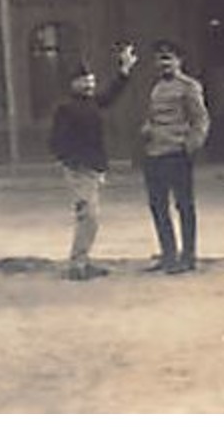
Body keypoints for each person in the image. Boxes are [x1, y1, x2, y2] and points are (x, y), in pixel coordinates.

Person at [49, 45, 138, 280]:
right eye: (83, 81)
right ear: (72, 84)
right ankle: (78, 265)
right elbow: (56, 141)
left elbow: (110, 95)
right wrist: (72, 162)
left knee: (90, 217)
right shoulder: (65, 108)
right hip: (80, 169)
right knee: (88, 216)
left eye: (91, 81)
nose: (89, 85)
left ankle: (82, 261)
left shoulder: (92, 103)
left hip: (92, 168)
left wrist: (124, 70)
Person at [139, 39, 211, 274]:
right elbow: (153, 116)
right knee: (158, 206)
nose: (164, 63)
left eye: (169, 58)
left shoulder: (189, 86)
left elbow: (201, 120)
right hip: (154, 153)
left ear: (180, 61)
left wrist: (190, 146)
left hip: (177, 153)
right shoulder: (156, 87)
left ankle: (188, 257)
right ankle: (168, 254)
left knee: (184, 206)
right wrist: (147, 128)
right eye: (160, 59)